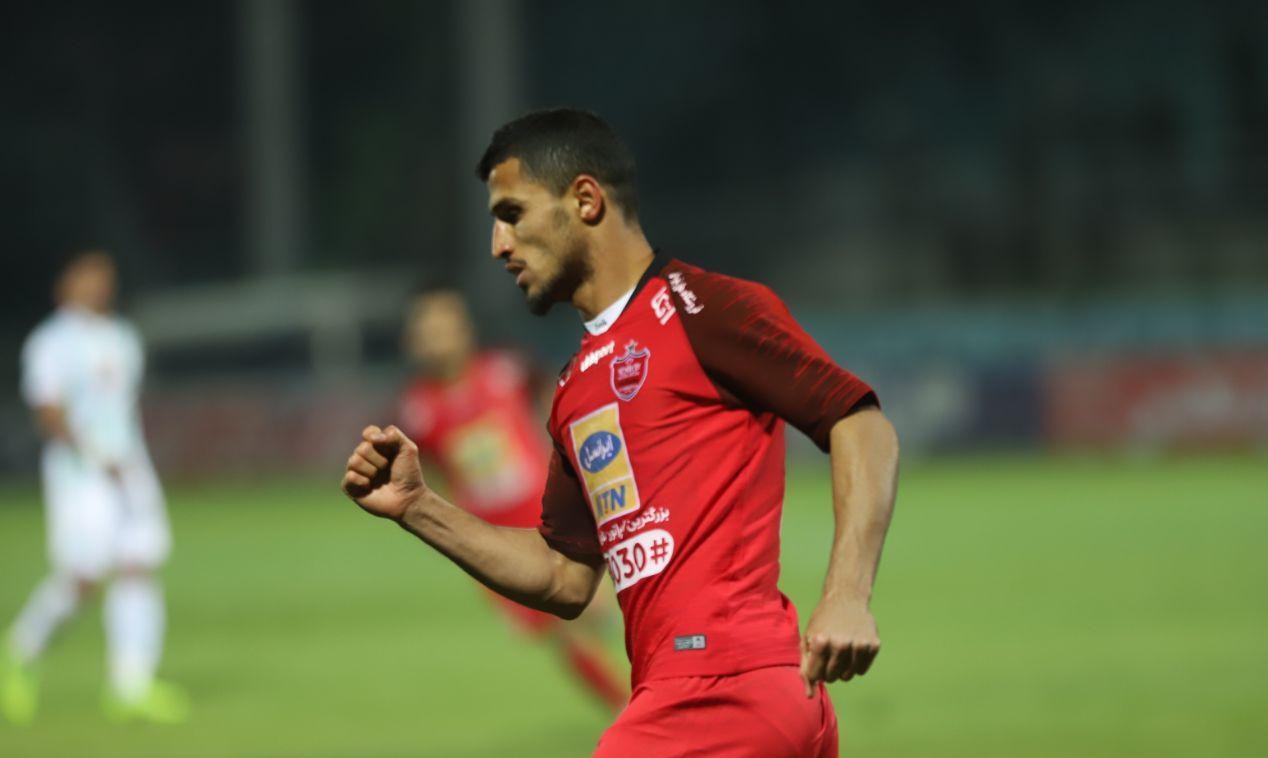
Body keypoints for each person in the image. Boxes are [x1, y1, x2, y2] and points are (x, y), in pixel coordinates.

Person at [342, 109, 899, 756]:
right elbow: (563, 576)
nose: (498, 244)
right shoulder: (575, 386)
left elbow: (859, 422)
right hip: (712, 693)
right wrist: (417, 507)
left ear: (585, 200)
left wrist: (846, 595)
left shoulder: (703, 309)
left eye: (512, 214)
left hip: (723, 689)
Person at [398, 288, 627, 712]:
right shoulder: (419, 410)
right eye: (427, 331)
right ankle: (628, 708)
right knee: (566, 629)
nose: (437, 338)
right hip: (498, 535)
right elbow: (428, 476)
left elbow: (556, 400)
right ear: (414, 342)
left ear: (465, 329)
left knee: (611, 602)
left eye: (444, 327)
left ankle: (655, 698)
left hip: (555, 511)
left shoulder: (504, 371)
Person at [1, 250, 187, 725]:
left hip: (128, 467)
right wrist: (91, 455)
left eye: (104, 278)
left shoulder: (123, 337)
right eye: (87, 278)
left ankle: (131, 684)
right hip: (80, 474)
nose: (98, 286)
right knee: (82, 578)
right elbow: (48, 411)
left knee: (138, 564)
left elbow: (122, 407)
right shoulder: (51, 342)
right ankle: (20, 649)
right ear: (65, 284)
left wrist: (124, 457)